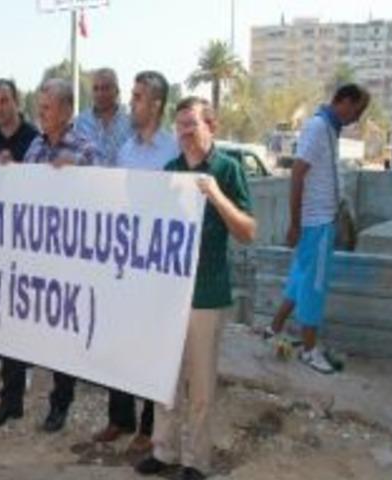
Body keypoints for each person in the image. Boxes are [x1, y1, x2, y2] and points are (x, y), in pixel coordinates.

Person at [136, 97, 256, 480]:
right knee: (165, 378)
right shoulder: (170, 170)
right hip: (168, 293)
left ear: (211, 126)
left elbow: (248, 232)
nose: (186, 132)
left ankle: (196, 461)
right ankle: (164, 450)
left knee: (200, 383)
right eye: (181, 125)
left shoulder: (228, 169)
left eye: (192, 124)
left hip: (207, 293)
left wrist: (216, 194)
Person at [0, 79, 103, 434]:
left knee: (60, 334)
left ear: (66, 111)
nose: (41, 113)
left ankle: (59, 405)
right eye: (40, 107)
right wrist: (11, 171)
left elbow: (102, 202)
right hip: (30, 255)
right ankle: (11, 400)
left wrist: (78, 177)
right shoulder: (35, 145)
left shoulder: (86, 150)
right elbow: (25, 193)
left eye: (47, 108)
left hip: (66, 261)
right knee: (15, 327)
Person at [93, 71, 179, 451]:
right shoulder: (126, 150)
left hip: (158, 263)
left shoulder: (173, 151)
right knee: (122, 339)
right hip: (125, 259)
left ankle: (148, 427)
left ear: (156, 105)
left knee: (152, 344)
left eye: (139, 97)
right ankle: (119, 418)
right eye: (133, 95)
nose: (132, 102)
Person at [263, 84, 370, 374]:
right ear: (344, 101)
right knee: (314, 286)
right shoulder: (319, 127)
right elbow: (298, 173)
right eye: (357, 110)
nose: (356, 118)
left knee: (300, 279)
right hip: (316, 222)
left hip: (320, 221)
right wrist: (295, 223)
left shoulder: (328, 128)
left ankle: (274, 328)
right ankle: (309, 351)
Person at [0, 78, 42, 428]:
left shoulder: (33, 137)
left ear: (17, 102)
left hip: (31, 241)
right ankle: (10, 398)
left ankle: (48, 401)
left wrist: (16, 171)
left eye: (5, 100)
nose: (0, 106)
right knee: (4, 319)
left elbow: (42, 185)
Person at [75, 68, 133, 165]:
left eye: (105, 88)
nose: (100, 94)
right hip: (87, 179)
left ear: (117, 91)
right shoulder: (80, 123)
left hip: (121, 179)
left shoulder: (131, 124)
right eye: (96, 89)